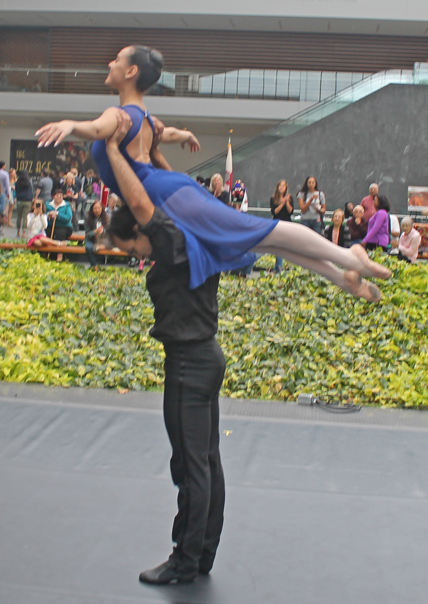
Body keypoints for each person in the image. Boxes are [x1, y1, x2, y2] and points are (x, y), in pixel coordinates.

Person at [36, 45, 391, 302]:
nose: (110, 63)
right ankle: (341, 274)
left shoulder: (120, 116)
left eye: (116, 60)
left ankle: (349, 257)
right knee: (259, 239)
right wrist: (185, 135)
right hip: (168, 190)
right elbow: (168, 134)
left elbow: (96, 129)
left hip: (165, 193)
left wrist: (69, 124)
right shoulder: (146, 118)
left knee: (259, 230)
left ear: (131, 72)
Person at [105, 119, 226, 586]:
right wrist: (156, 154)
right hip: (206, 357)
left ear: (142, 234)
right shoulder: (197, 235)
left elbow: (143, 202)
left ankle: (184, 559)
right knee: (208, 461)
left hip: (189, 365)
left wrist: (117, 148)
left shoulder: (172, 246)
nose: (134, 254)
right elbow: (177, 196)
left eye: (130, 245)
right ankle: (202, 554)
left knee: (190, 465)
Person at [270, 179, 293, 272]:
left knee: (282, 246)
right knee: (277, 246)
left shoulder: (289, 198)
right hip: (276, 224)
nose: (282, 187)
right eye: (280, 185)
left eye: (283, 186)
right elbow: (274, 212)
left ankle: (278, 267)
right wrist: (282, 203)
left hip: (286, 223)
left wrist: (287, 202)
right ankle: (278, 267)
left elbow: (290, 211)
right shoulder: (273, 199)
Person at [45, 188, 73, 261]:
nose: (59, 197)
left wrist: (57, 214)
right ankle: (47, 254)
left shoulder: (66, 205)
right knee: (46, 233)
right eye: (57, 195)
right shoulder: (48, 204)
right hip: (50, 226)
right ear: (53, 196)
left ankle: (60, 257)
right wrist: (49, 214)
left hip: (64, 227)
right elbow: (43, 214)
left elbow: (68, 218)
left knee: (60, 233)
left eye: (60, 195)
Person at [84, 199, 109, 267]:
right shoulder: (88, 218)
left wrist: (103, 231)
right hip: (92, 240)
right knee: (88, 247)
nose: (97, 210)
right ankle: (94, 266)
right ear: (92, 209)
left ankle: (100, 247)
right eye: (95, 208)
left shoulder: (106, 217)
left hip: (103, 240)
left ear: (102, 208)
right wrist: (95, 232)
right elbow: (87, 234)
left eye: (99, 208)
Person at [15, 169, 34, 238]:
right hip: (28, 201)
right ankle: (24, 233)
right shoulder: (29, 182)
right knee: (25, 217)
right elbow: (32, 190)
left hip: (19, 200)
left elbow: (16, 190)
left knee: (19, 217)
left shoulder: (17, 182)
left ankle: (18, 231)